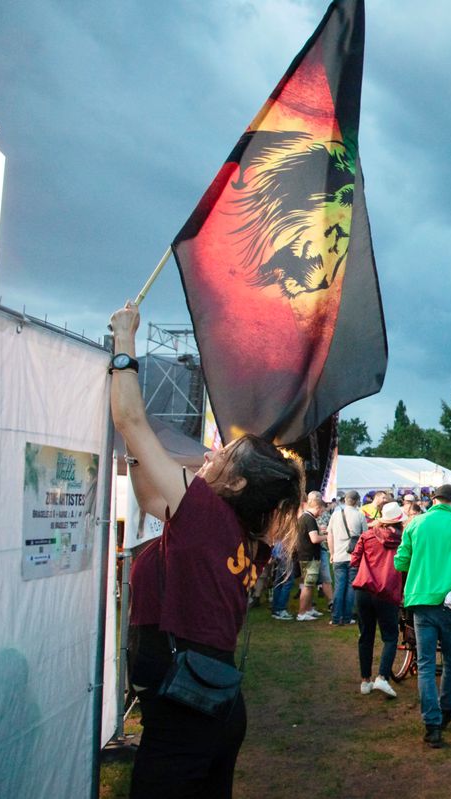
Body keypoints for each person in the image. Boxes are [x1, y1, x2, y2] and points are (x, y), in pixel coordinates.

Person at [110, 301, 304, 798]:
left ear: (236, 481)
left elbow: (133, 420)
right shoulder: (239, 531)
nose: (215, 453)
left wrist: (125, 342)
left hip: (187, 708)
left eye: (225, 454)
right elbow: (151, 498)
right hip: (209, 700)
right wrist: (138, 455)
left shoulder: (207, 513)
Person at [393, 484, 451, 749]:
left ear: (433, 500)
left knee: (425, 663)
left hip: (421, 602)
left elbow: (400, 562)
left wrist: (421, 563)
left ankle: (432, 723)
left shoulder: (414, 524)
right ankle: (447, 709)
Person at [351, 502, 403, 699]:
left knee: (366, 635)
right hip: (388, 592)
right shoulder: (403, 540)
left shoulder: (367, 536)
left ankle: (365, 680)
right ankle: (382, 677)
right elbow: (406, 565)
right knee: (390, 637)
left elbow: (355, 561)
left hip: (364, 589)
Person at [328, 490, 366, 625]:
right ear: (356, 501)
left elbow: (330, 535)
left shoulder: (335, 515)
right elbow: (365, 537)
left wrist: (331, 553)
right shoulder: (360, 515)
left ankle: (336, 617)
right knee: (351, 587)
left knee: (339, 587)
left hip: (338, 555)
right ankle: (347, 616)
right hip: (354, 557)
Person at [295, 492, 331, 621]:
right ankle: (302, 613)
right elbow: (314, 539)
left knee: (310, 584)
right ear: (318, 507)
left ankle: (309, 609)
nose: (321, 514)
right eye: (321, 511)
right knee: (308, 585)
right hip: (309, 557)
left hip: (308, 556)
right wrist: (328, 536)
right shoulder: (309, 519)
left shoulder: (305, 517)